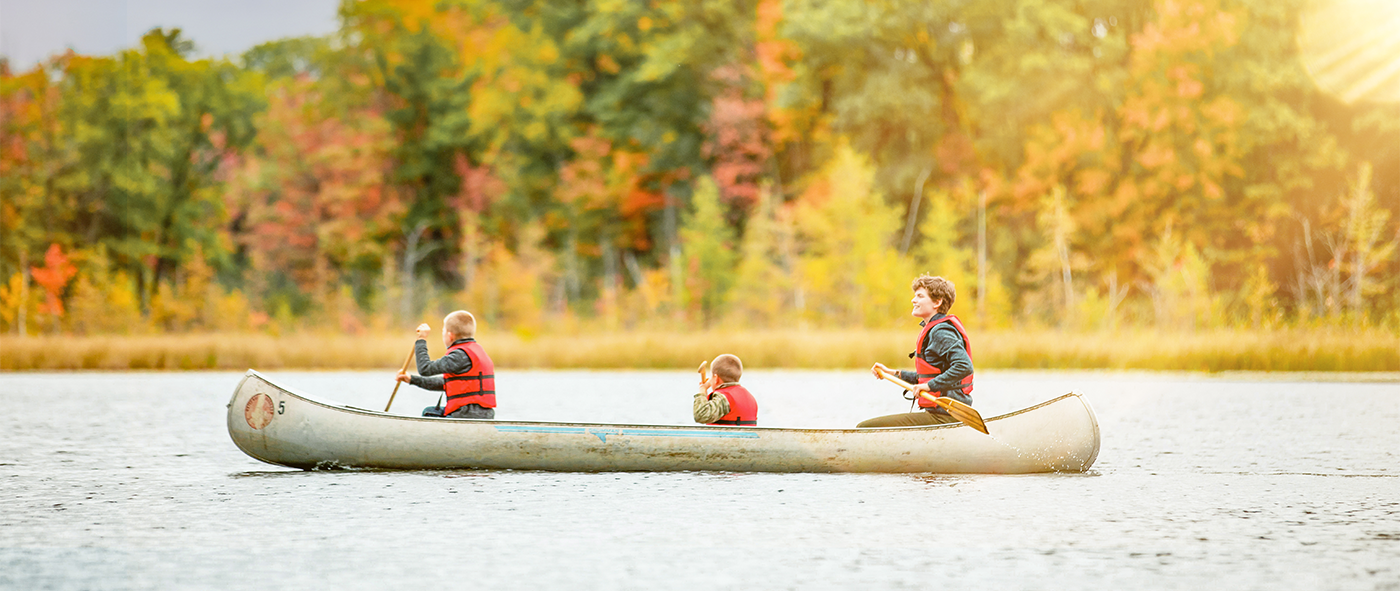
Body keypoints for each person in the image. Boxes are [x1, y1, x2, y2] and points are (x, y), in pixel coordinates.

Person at [860, 275, 974, 428]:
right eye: (915, 296)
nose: (913, 300)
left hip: (947, 416)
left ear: (937, 302)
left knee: (866, 427)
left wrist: (929, 387)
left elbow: (964, 366)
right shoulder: (934, 329)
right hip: (939, 414)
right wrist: (893, 373)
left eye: (920, 296)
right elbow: (927, 377)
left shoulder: (941, 332)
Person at [396, 310, 497, 419]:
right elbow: (446, 383)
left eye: (443, 331)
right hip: (484, 415)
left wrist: (421, 340)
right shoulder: (476, 351)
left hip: (465, 415)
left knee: (428, 414)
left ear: (450, 336)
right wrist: (412, 379)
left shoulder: (459, 355)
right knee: (429, 412)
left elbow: (425, 369)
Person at [693, 353, 758, 426]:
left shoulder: (723, 398)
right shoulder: (750, 397)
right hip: (744, 436)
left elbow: (701, 416)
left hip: (725, 437)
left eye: (711, 376)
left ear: (716, 378)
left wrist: (702, 390)